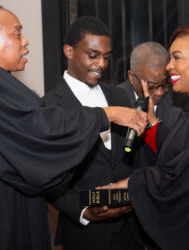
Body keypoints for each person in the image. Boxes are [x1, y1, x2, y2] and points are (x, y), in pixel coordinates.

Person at [0, 4, 148, 250]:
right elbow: (38, 131)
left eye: (107, 56)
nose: (25, 42)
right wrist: (107, 115)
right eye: (18, 33)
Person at [102, 24, 189, 250]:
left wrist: (130, 185)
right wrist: (153, 122)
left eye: (177, 58)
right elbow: (183, 150)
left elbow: (185, 174)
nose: (168, 66)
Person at [43, 16, 144, 250]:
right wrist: (85, 211)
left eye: (106, 57)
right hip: (85, 235)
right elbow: (49, 177)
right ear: (69, 50)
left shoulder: (119, 97)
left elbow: (130, 156)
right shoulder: (49, 107)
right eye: (93, 55)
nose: (101, 64)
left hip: (131, 229)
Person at [118, 42, 183, 168]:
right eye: (151, 86)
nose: (160, 92)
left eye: (165, 84)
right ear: (132, 77)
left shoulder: (180, 104)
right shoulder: (115, 100)